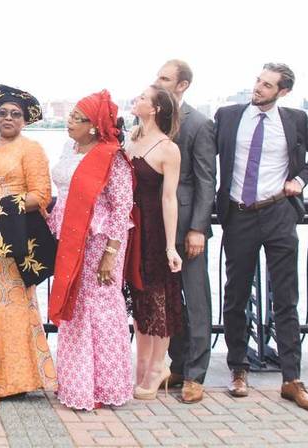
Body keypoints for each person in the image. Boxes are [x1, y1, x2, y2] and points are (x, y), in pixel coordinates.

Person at [215, 63, 308, 412]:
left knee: (286, 297)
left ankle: (292, 379)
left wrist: (300, 181)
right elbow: (203, 156)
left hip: (279, 212)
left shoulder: (294, 120)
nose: (259, 88)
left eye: (267, 85)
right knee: (235, 294)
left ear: (283, 91)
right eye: (258, 81)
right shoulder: (228, 116)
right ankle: (238, 369)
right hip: (239, 214)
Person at [0, 85, 57, 405]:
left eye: (15, 114)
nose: (8, 118)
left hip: (13, 233)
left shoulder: (31, 149)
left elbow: (41, 195)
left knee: (16, 300)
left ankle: (19, 378)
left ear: (24, 119)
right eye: (2, 113)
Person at [48, 90, 134, 411]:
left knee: (99, 308)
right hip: (69, 235)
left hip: (99, 241)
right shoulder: (69, 148)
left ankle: (104, 385)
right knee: (75, 305)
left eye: (78, 118)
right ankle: (75, 383)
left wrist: (110, 254)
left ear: (96, 125)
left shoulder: (112, 157)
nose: (70, 122)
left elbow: (122, 206)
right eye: (70, 116)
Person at [154, 60, 216, 404]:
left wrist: (198, 229)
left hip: (187, 225)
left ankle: (196, 375)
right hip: (156, 227)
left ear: (182, 85)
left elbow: (207, 180)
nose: (157, 82)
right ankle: (177, 365)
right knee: (169, 301)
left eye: (164, 78)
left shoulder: (200, 124)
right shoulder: (151, 121)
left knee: (196, 300)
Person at [125, 86, 183, 400]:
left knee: (158, 299)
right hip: (130, 227)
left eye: (144, 97)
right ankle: (143, 361)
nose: (138, 99)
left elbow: (169, 197)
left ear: (157, 108)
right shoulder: (131, 138)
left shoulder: (168, 149)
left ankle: (159, 365)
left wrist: (171, 246)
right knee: (139, 298)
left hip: (154, 229)